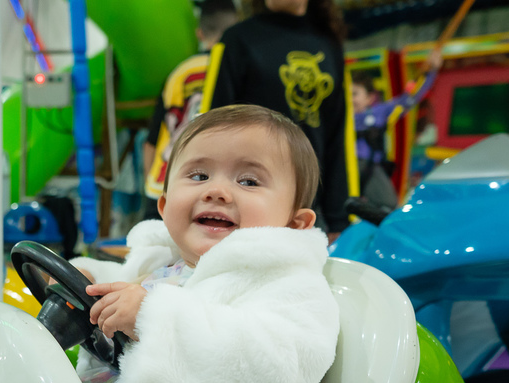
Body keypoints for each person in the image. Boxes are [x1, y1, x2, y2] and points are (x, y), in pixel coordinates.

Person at [70, 105, 339, 383]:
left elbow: (273, 368)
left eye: (248, 180)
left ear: (295, 224)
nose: (216, 190)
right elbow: (131, 288)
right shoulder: (164, 262)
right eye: (198, 175)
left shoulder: (288, 282)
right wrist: (86, 277)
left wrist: (153, 319)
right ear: (163, 206)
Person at [203, 0, 349, 239]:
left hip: (310, 211)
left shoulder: (329, 43)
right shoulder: (237, 40)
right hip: (247, 206)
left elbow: (336, 135)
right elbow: (213, 131)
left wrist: (338, 218)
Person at [142, 0, 239, 213]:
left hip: (165, 182)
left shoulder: (179, 72)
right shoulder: (239, 71)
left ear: (199, 34)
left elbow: (152, 140)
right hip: (218, 189)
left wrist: (150, 188)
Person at [351, 49, 443, 208]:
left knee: (388, 204)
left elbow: (409, 99)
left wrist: (431, 72)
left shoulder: (378, 112)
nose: (350, 99)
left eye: (355, 94)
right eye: (347, 94)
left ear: (370, 98)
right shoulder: (342, 115)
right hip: (347, 167)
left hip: (368, 166)